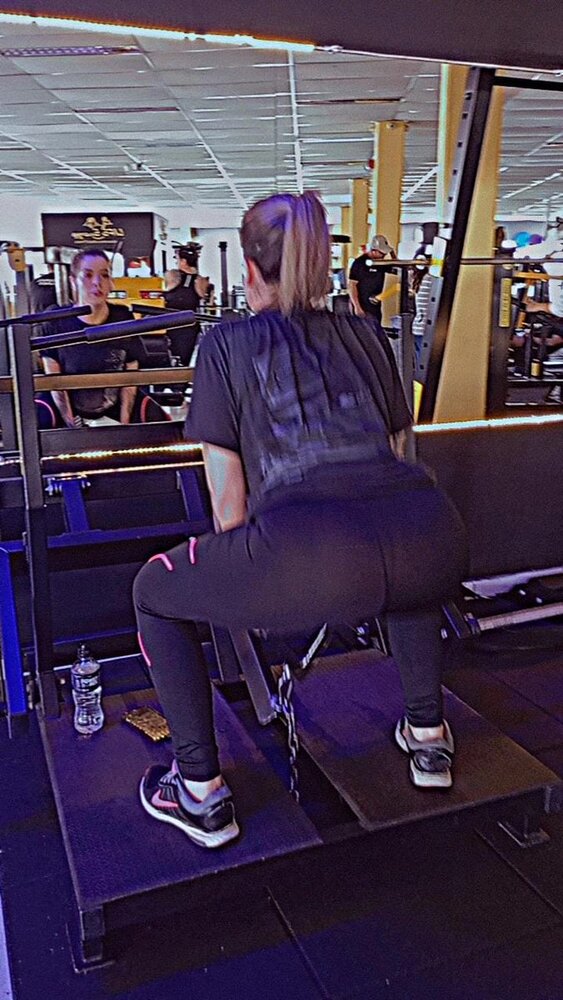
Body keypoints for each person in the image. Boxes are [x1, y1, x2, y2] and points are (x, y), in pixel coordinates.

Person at [133, 191, 466, 849]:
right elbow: (398, 453)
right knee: (401, 561)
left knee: (153, 592)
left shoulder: (224, 344)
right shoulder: (364, 333)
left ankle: (198, 790)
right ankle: (428, 736)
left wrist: (249, 589)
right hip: (435, 534)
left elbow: (228, 505)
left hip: (314, 553)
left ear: (250, 271)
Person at [35, 249, 166, 427]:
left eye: (104, 275)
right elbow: (55, 382)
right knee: (36, 418)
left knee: (161, 422)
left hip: (113, 404)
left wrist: (124, 425)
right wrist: (71, 425)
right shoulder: (55, 320)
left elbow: (131, 377)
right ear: (73, 281)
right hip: (70, 407)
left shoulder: (123, 317)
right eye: (88, 275)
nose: (97, 283)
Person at [162, 245, 209, 366]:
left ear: (183, 261)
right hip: (189, 324)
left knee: (170, 356)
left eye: (177, 259)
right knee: (184, 359)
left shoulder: (172, 275)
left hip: (172, 323)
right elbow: (204, 297)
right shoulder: (201, 281)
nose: (176, 262)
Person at [348, 234, 397, 323]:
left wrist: (392, 253)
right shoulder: (359, 263)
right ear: (373, 251)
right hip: (362, 304)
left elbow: (397, 268)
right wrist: (357, 306)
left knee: (376, 328)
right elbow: (352, 285)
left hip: (375, 304)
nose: (384, 256)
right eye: (382, 254)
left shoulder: (380, 263)